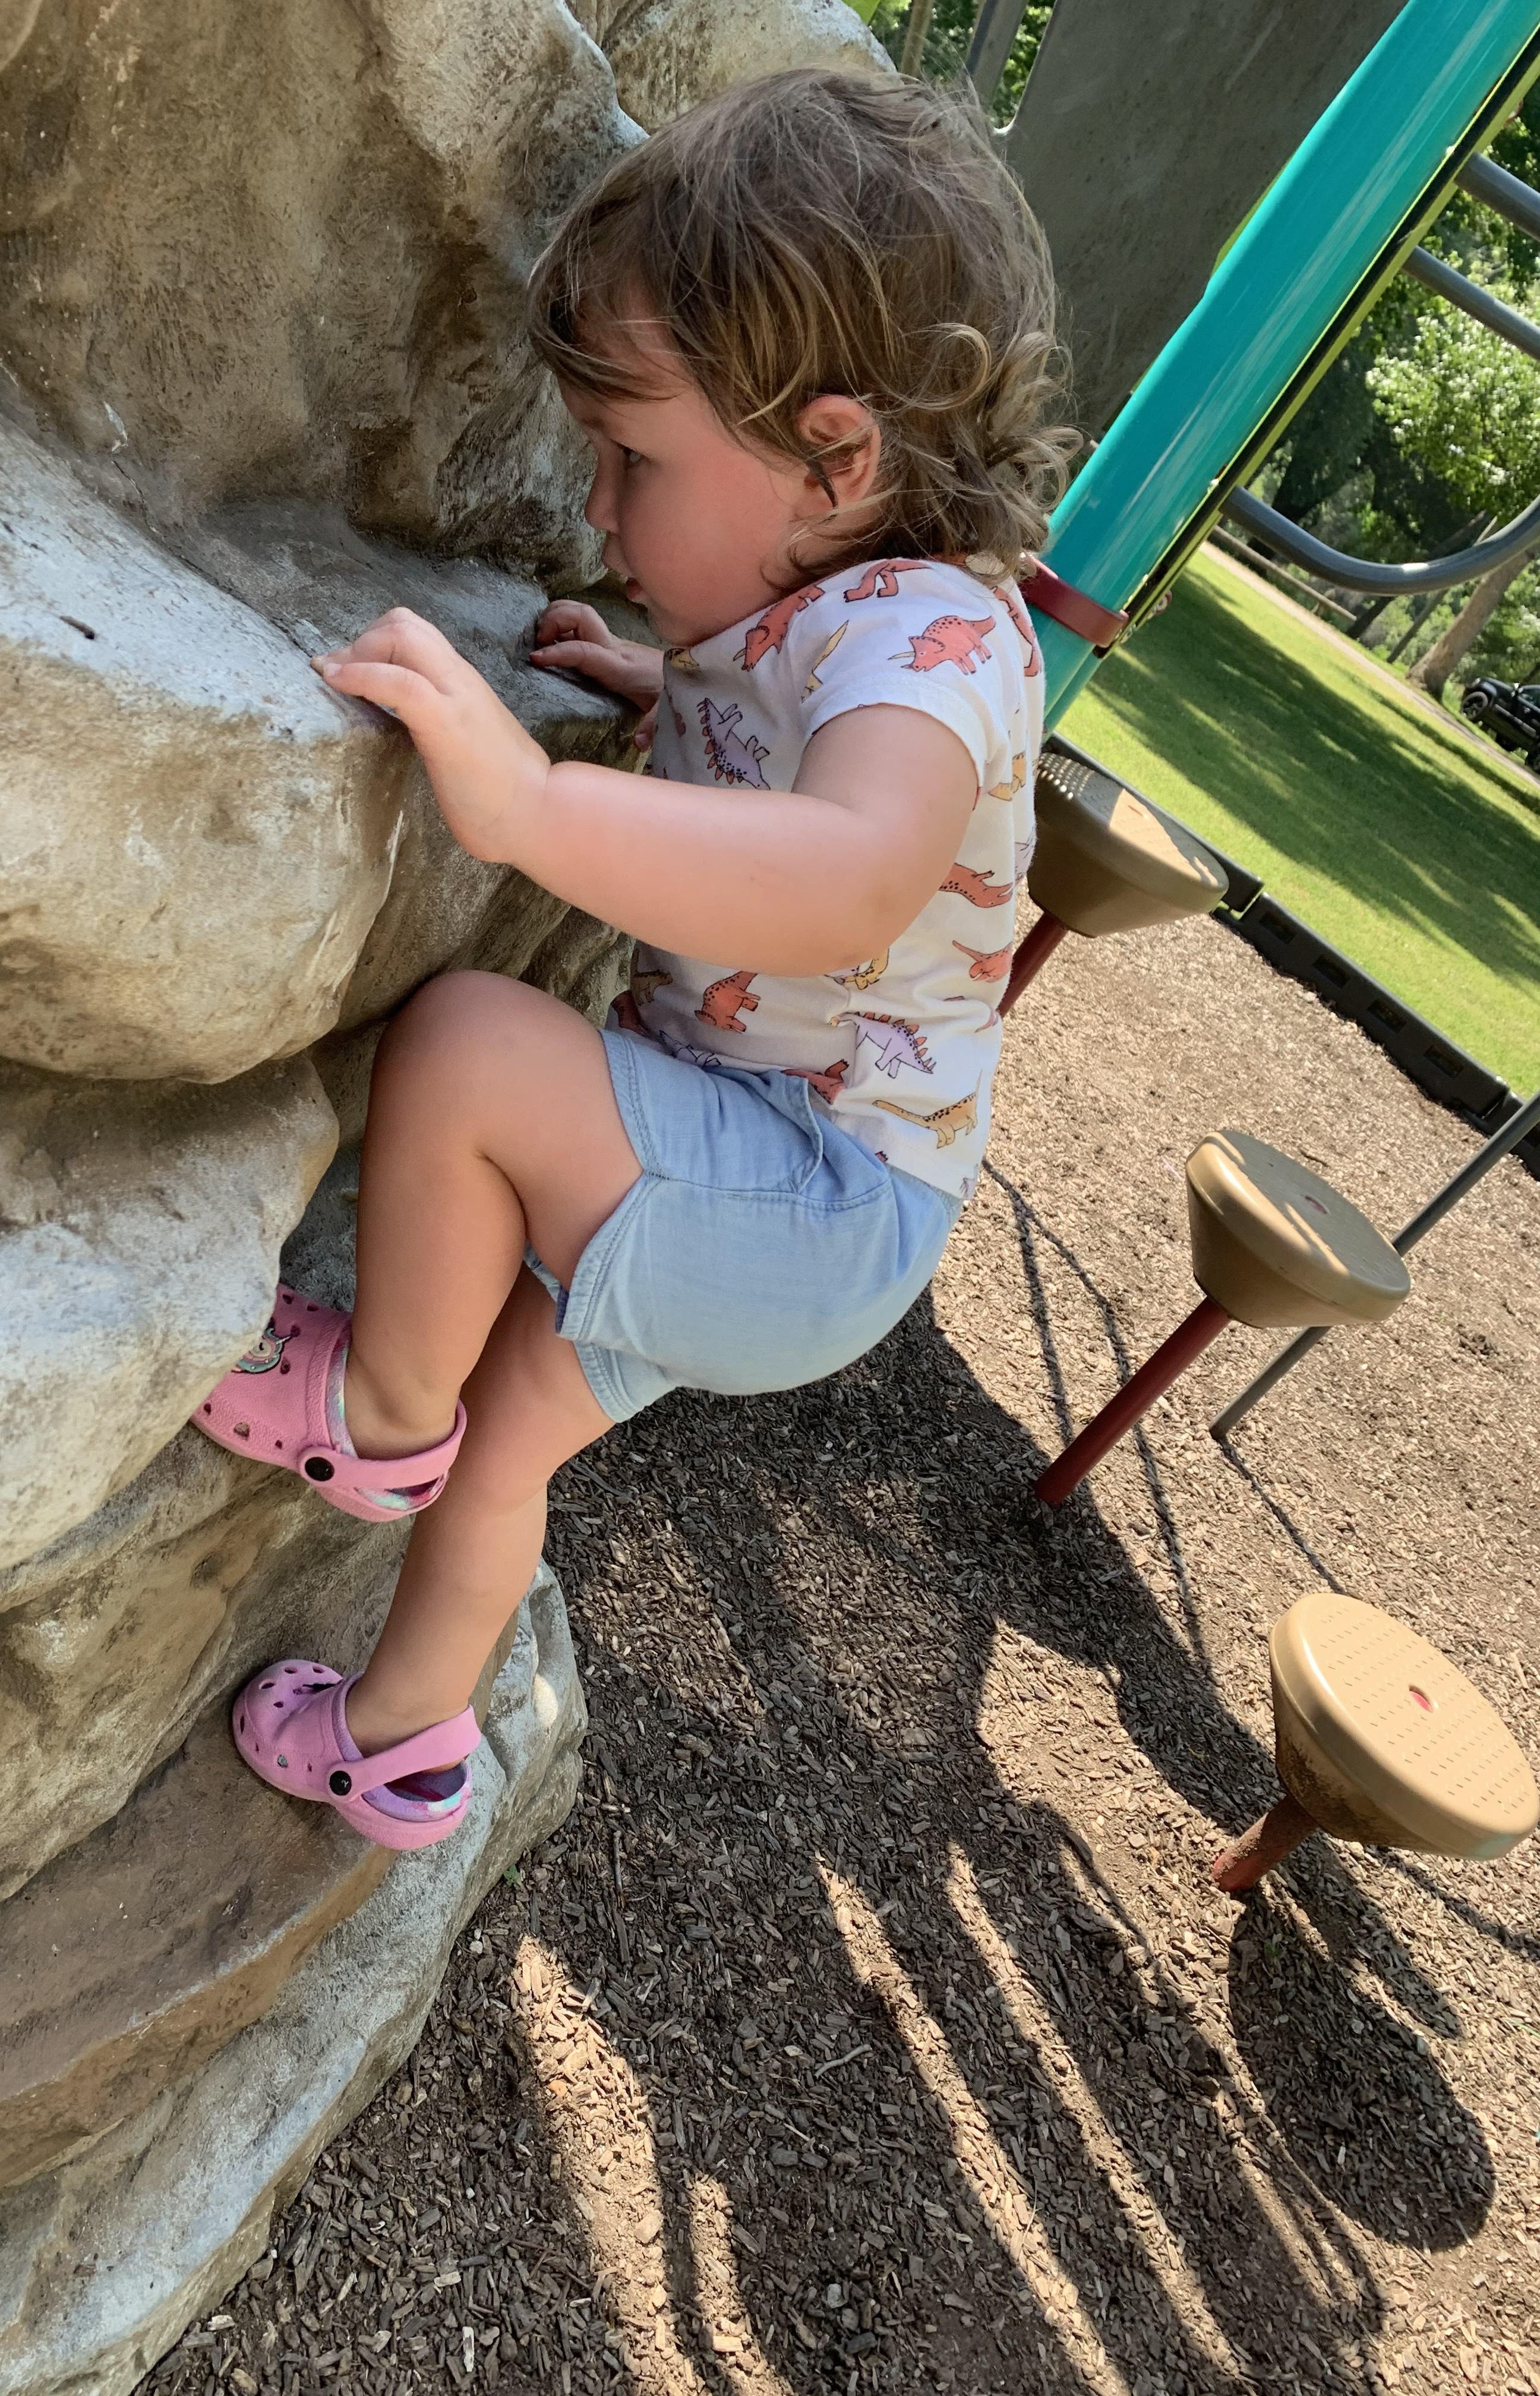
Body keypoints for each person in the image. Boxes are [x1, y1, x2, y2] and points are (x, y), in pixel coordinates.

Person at [194, 65, 1070, 1847]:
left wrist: (519, 803)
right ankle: (401, 1748)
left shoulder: (946, 647)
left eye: (635, 461)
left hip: (812, 1197)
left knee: (465, 1046)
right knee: (511, 1441)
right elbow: (784, 734)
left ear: (839, 455)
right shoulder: (826, 604)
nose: (597, 507)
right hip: (790, 1189)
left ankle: (370, 1408)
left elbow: (842, 873)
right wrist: (666, 686)